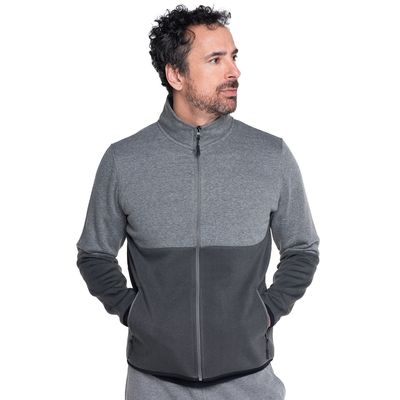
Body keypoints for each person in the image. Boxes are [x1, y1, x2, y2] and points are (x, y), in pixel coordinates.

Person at [75, 4, 320, 400]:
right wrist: (134, 312)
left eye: (233, 57)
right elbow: (94, 254)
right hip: (154, 384)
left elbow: (302, 248)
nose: (234, 71)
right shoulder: (124, 160)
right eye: (215, 60)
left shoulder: (270, 155)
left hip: (249, 382)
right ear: (176, 75)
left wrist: (267, 311)